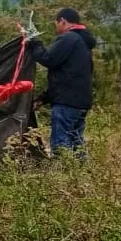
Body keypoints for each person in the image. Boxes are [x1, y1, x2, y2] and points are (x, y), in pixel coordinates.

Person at [30, 8, 97, 157]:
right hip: (81, 102)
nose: (56, 27)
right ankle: (81, 175)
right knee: (76, 142)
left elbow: (49, 59)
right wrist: (44, 98)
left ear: (63, 21)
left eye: (56, 23)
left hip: (67, 103)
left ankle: (63, 175)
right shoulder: (83, 43)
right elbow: (67, 76)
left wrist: (34, 43)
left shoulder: (69, 38)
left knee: (61, 143)